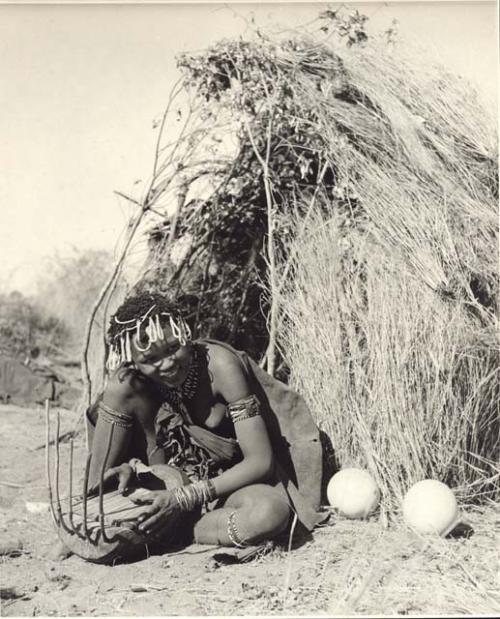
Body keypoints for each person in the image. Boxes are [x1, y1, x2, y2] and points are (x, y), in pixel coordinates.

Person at [85, 291, 323, 551]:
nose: (167, 364)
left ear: (185, 333)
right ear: (132, 361)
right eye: (150, 359)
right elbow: (95, 484)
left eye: (173, 347)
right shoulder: (126, 387)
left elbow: (261, 461)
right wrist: (126, 469)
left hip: (221, 489)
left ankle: (182, 531)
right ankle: (164, 523)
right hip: (156, 488)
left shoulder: (221, 367)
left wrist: (186, 497)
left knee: (270, 511)